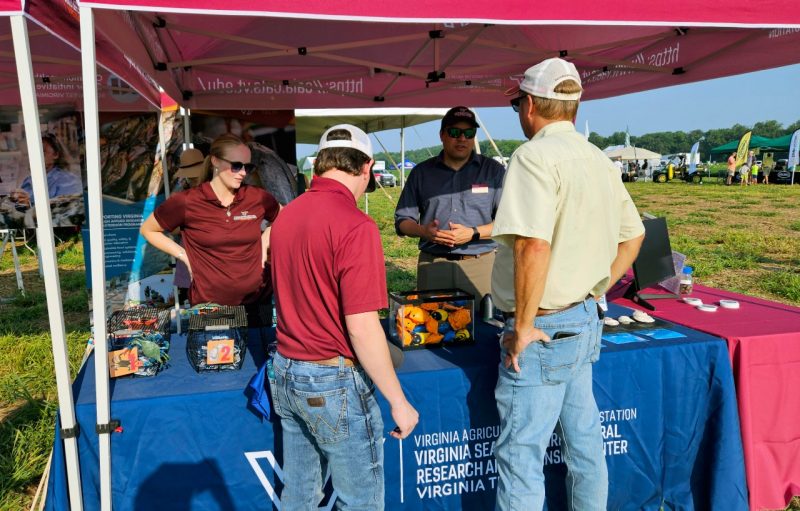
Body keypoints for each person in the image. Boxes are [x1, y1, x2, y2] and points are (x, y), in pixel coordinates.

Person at [493, 57, 645, 511]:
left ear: (532, 106)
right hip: (581, 317)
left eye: (519, 103)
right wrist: (597, 286)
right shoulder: (598, 158)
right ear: (573, 107)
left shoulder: (532, 155)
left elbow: (532, 247)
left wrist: (521, 326)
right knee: (585, 448)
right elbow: (633, 235)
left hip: (543, 326)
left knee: (521, 458)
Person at [269, 124, 418, 510]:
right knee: (361, 501)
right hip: (331, 377)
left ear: (319, 164)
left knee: (299, 495)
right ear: (367, 168)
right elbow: (363, 326)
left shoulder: (287, 215)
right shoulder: (356, 225)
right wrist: (398, 401)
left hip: (286, 368)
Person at [140, 134, 280, 324]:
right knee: (213, 354)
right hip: (210, 306)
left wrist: (265, 242)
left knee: (259, 352)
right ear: (215, 161)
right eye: (236, 165)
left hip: (257, 303)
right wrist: (183, 255)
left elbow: (285, 216)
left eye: (248, 167)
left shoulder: (257, 197)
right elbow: (149, 229)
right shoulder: (187, 201)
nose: (243, 173)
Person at [394, 106, 506, 301]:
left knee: (483, 327)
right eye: (455, 132)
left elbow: (508, 221)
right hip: (434, 264)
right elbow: (402, 220)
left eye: (469, 133)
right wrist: (424, 232)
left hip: (480, 266)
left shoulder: (493, 171)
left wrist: (473, 233)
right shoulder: (422, 172)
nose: (462, 138)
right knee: (432, 327)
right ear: (442, 135)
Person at [171, 147, 209, 305]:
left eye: (195, 175)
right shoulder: (179, 197)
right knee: (197, 305)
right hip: (190, 253)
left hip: (214, 256)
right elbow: (172, 228)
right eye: (190, 176)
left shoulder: (217, 192)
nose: (193, 179)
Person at [14, 135, 82, 206]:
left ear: (56, 154)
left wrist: (28, 205)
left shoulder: (68, 181)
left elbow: (62, 211)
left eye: (43, 151)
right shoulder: (28, 180)